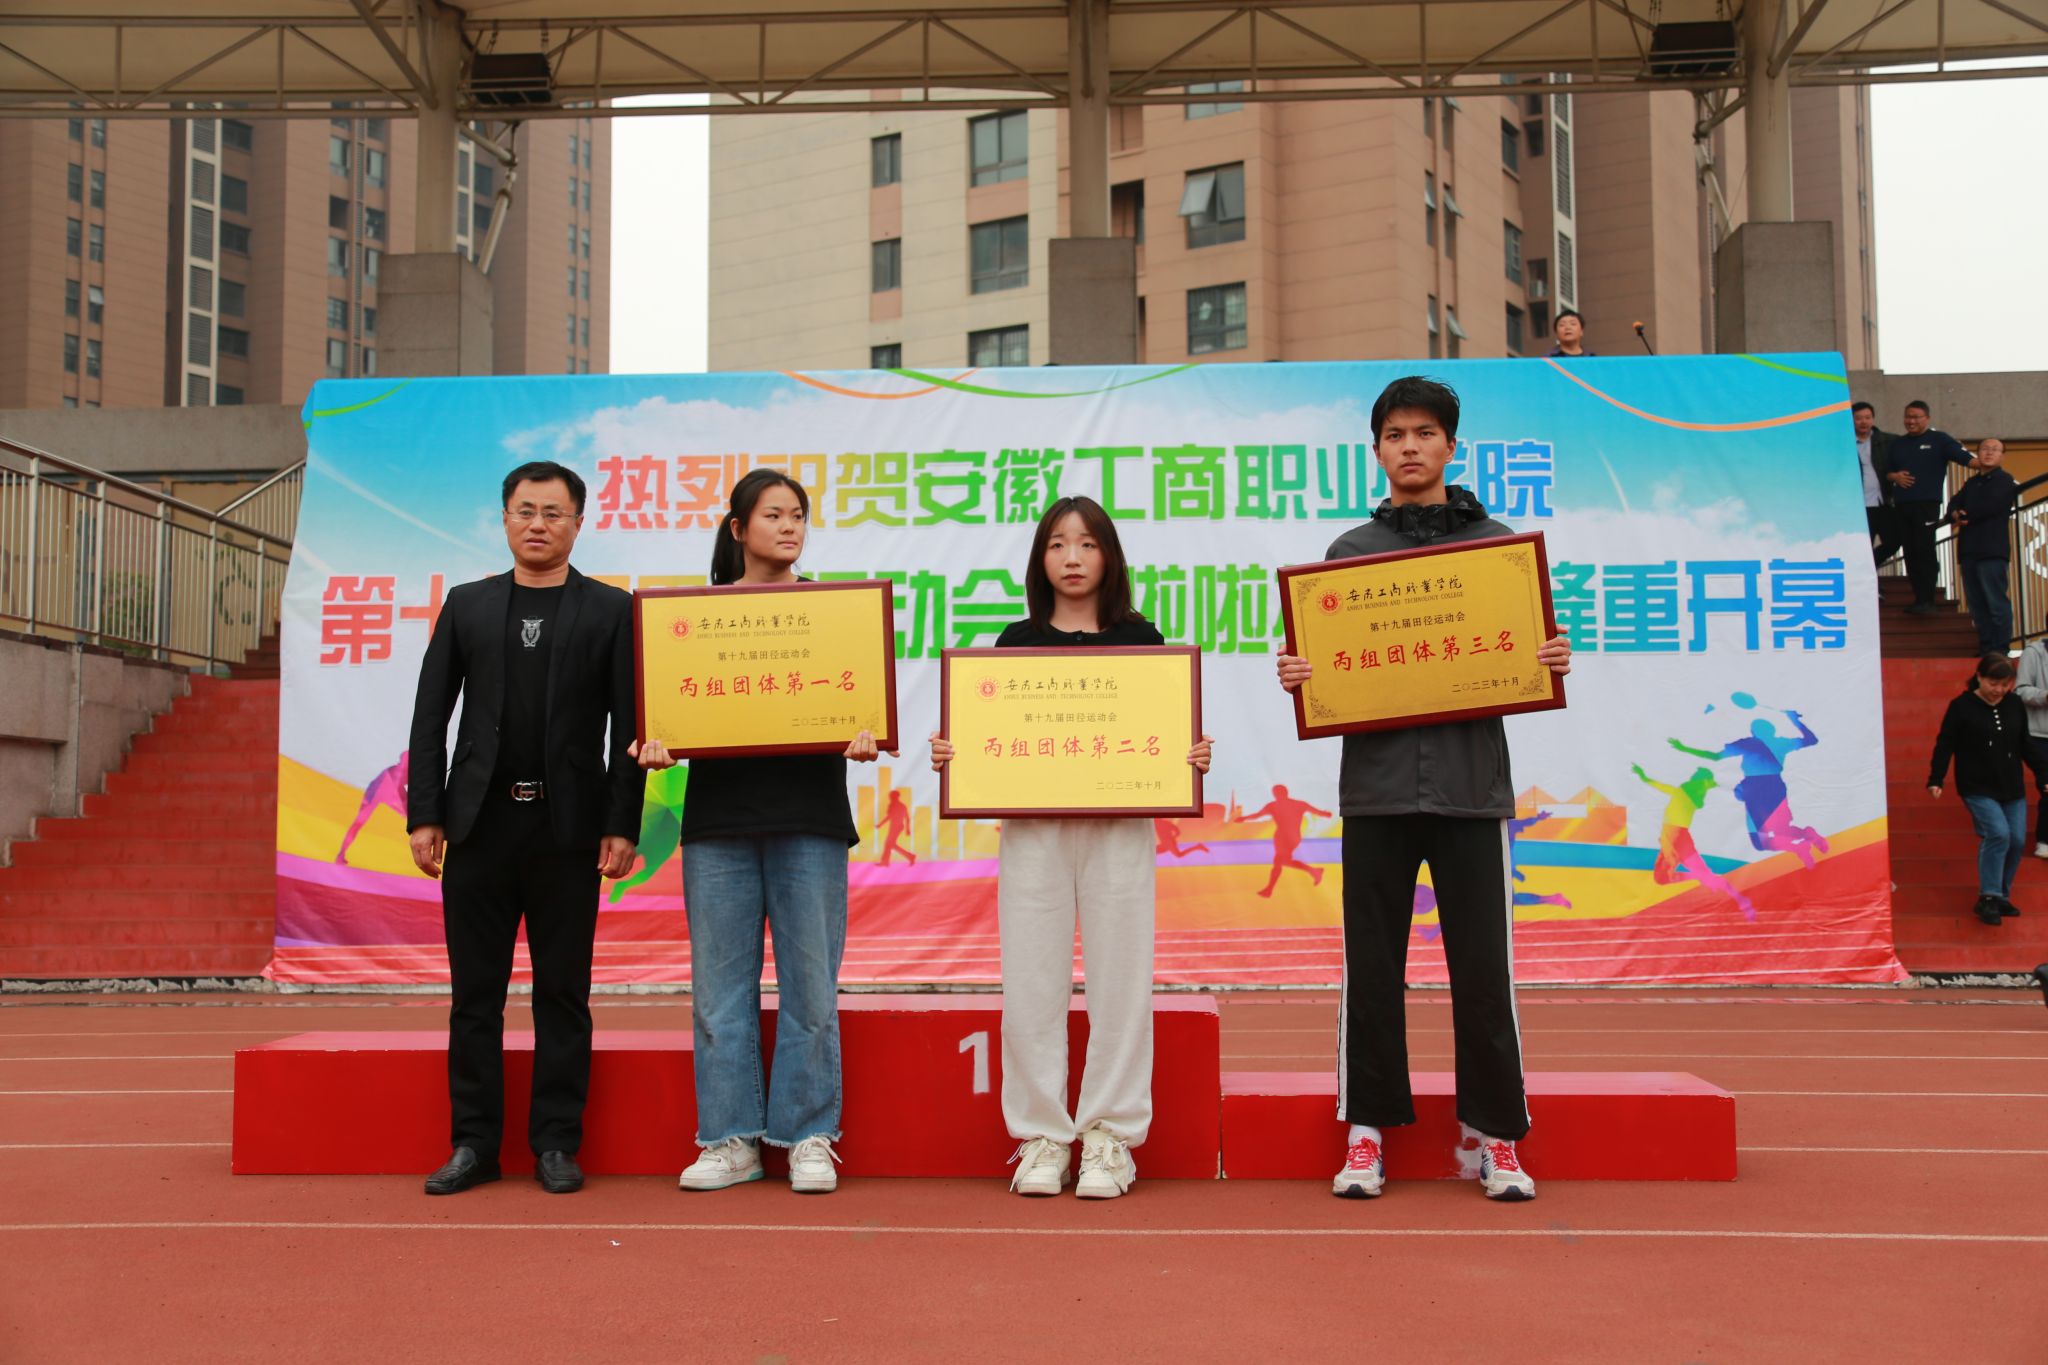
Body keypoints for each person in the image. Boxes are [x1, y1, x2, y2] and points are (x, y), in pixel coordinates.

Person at [1275, 376, 1573, 1203]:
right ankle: (1366, 1131)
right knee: (1372, 969)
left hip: (1472, 788)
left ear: (1451, 445)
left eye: (1425, 432)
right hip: (1375, 790)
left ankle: (1495, 1133)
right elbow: (1329, 668)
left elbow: (1518, 653)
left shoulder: (1497, 548)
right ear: (1376, 450)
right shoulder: (1349, 553)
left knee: (1483, 972)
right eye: (1395, 434)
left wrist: (1545, 659)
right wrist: (1304, 675)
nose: (1410, 446)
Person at [929, 496, 1213, 1201]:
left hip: (1120, 824)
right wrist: (958, 755)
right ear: (1040, 560)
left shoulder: (1143, 641)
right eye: (1058, 544)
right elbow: (987, 737)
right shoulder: (1014, 643)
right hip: (1035, 828)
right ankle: (1042, 1135)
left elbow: (1164, 733)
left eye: (1087, 543)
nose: (1073, 557)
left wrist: (1189, 755)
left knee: (1122, 980)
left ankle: (1110, 1136)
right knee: (1031, 980)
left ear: (1109, 556)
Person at [634, 468, 888, 1196]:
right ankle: (730, 1138)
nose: (788, 526)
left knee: (811, 989)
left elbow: (863, 705)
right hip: (719, 825)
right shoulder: (697, 622)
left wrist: (866, 730)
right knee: (719, 993)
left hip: (810, 821)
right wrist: (659, 738)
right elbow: (666, 713)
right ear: (739, 529)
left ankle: (808, 1135)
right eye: (773, 515)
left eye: (798, 515)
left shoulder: (834, 617)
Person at [406, 460, 645, 1197]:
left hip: (567, 830)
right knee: (474, 995)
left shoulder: (611, 610)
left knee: (563, 993)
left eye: (553, 512)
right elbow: (430, 715)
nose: (538, 524)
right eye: (525, 510)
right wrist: (426, 813)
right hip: (479, 826)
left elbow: (631, 728)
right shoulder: (468, 605)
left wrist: (621, 822)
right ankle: (474, 1143)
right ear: (505, 518)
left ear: (579, 523)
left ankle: (556, 1142)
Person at [1927, 654, 2048, 926]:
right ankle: (1989, 897)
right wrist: (1936, 778)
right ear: (1979, 677)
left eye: (2005, 684)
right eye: (1993, 683)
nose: (1999, 690)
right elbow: (1945, 743)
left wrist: (2044, 776)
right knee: (1998, 833)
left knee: (2017, 840)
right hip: (1977, 786)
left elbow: (2025, 743)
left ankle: (2001, 895)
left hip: (2012, 786)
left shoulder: (2014, 704)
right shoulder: (1961, 707)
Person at [1630, 764, 1756, 921]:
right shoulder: (1686, 791)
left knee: (1677, 877)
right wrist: (1644, 778)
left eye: (1696, 776)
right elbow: (1664, 787)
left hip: (1675, 837)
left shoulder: (1689, 788)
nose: (1692, 777)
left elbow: (1687, 790)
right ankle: (1710, 882)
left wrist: (1710, 782)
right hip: (1672, 836)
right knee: (1662, 878)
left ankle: (1740, 900)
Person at [1886, 399, 1977, 615]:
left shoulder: (1939, 440)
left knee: (1924, 549)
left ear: (1927, 418)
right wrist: (1895, 477)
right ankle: (1919, 598)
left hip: (1926, 505)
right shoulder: (1898, 444)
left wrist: (1983, 463)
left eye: (1916, 417)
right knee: (1909, 551)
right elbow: (1887, 471)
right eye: (1908, 417)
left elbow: (1964, 457)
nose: (1911, 421)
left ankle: (1928, 600)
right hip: (1902, 505)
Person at [1946, 438, 2019, 655]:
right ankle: (1986, 647)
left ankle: (2000, 648)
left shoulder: (2005, 480)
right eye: (1985, 449)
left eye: (1995, 450)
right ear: (1977, 454)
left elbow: (1992, 506)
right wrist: (1955, 513)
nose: (1989, 453)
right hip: (1968, 550)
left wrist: (1967, 514)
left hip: (1991, 550)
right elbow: (1954, 502)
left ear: (2002, 456)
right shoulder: (1972, 482)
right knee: (1977, 604)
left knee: (1996, 602)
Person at [1247, 784, 1330, 897]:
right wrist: (1244, 818)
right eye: (1276, 793)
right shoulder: (1274, 805)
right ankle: (1314, 871)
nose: (1277, 795)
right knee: (1282, 861)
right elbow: (1257, 815)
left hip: (1290, 837)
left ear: (1284, 792)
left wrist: (1325, 814)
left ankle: (1269, 889)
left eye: (1278, 793)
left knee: (1279, 861)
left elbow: (1317, 811)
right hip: (1281, 837)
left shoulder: (1295, 804)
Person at [2011, 625, 2048, 858]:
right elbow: (2020, 690)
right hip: (2039, 733)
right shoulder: (2033, 653)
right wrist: (2044, 696)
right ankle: (2044, 840)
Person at [1851, 401, 1901, 571]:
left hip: (1883, 502)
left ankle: (1867, 567)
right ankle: (1864, 575)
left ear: (1873, 419)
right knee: (1861, 546)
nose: (1863, 422)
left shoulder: (1889, 441)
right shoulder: (1845, 443)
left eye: (1867, 417)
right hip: (1859, 506)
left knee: (1894, 541)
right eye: (1858, 418)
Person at [336, 752, 407, 865]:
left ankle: (341, 854)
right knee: (358, 822)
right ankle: (341, 854)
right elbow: (395, 784)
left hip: (385, 785)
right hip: (382, 787)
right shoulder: (400, 769)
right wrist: (400, 807)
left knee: (358, 823)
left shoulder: (406, 769)